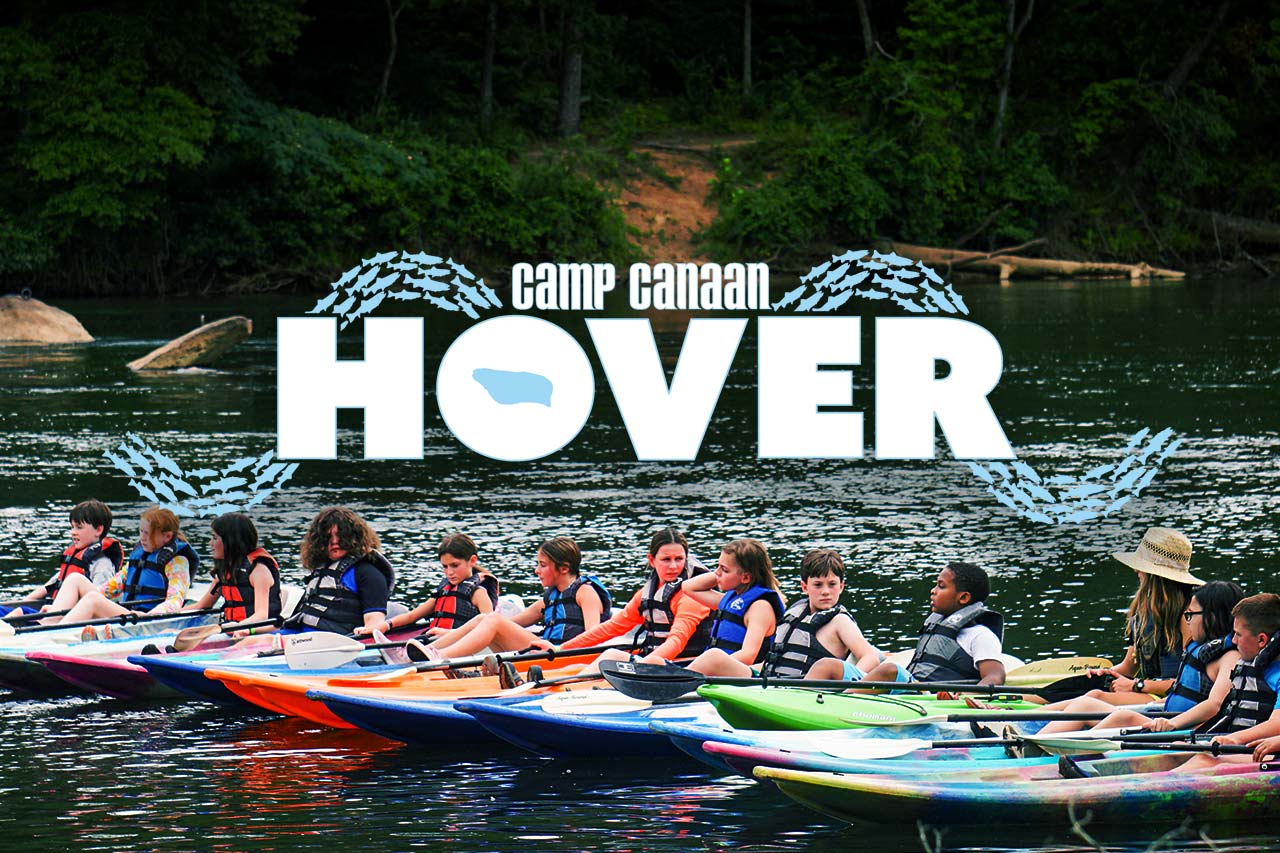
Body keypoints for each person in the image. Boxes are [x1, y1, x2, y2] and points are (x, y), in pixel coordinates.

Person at [1035, 580, 1245, 735]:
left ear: (1213, 617)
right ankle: (1033, 742)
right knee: (1086, 703)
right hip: (1166, 719)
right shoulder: (1200, 649)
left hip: (1184, 731)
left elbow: (1214, 705)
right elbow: (1181, 694)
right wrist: (1154, 707)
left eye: (1190, 615)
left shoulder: (1229, 657)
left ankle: (1067, 753)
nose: (1187, 621)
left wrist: (1172, 723)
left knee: (1122, 716)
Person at [389, 536, 610, 660]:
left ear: (563, 568)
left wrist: (559, 649)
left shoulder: (585, 592)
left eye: (542, 565)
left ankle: (440, 657)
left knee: (492, 619)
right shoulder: (551, 597)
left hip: (565, 657)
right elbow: (511, 624)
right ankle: (421, 653)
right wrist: (452, 632)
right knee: (485, 619)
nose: (536, 571)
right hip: (546, 651)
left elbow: (593, 636)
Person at [557, 527, 714, 674]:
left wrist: (640, 668)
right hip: (655, 662)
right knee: (577, 667)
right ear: (652, 560)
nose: (673, 566)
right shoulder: (647, 593)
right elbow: (612, 627)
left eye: (679, 559)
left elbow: (676, 642)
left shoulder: (691, 596)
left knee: (611, 655)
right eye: (666, 559)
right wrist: (561, 649)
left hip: (683, 667)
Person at [1084, 527, 1202, 706]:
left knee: (1095, 698)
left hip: (1172, 698)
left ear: (1156, 576)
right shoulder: (1144, 613)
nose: (1136, 571)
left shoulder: (1189, 615)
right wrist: (1105, 673)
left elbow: (1192, 682)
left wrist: (1137, 685)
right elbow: (1128, 668)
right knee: (1090, 690)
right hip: (1147, 691)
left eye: (1141, 567)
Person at [852, 561, 1006, 688]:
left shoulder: (980, 635)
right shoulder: (936, 624)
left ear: (964, 597)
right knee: (831, 665)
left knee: (890, 670)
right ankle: (842, 696)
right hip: (911, 686)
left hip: (927, 696)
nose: (933, 591)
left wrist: (971, 695)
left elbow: (995, 675)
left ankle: (844, 700)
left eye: (941, 586)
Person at [1173, 593, 1280, 770]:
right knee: (1179, 749)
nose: (1234, 640)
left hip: (1269, 758)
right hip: (1251, 748)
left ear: (1261, 639)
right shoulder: (1253, 666)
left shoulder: (1277, 674)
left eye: (1238, 634)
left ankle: (1139, 793)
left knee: (1205, 761)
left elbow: (1277, 724)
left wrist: (1235, 738)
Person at [39, 507, 197, 624]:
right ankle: (50, 621)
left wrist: (150, 616)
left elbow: (175, 601)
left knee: (93, 599)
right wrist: (71, 607)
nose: (142, 538)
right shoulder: (140, 556)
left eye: (147, 533)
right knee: (75, 579)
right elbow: (109, 589)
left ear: (167, 536)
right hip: (128, 614)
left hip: (147, 621)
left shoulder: (177, 562)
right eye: (140, 531)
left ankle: (52, 633)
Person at [1, 499, 123, 619]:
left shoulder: (102, 565)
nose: (73, 532)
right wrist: (21, 602)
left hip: (66, 618)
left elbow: (99, 602)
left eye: (79, 527)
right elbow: (46, 588)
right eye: (72, 527)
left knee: (21, 612)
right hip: (52, 611)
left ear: (98, 530)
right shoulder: (73, 561)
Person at [676, 539, 786, 672]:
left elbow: (748, 656)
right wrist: (722, 573)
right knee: (655, 661)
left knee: (713, 656)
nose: (717, 572)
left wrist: (714, 665)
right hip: (716, 669)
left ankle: (681, 678)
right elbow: (688, 587)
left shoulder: (760, 608)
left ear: (746, 578)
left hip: (748, 675)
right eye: (718, 566)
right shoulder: (731, 600)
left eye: (724, 570)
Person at [284, 507, 394, 635]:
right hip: (301, 635)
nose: (335, 541)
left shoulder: (368, 574)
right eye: (328, 537)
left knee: (263, 641)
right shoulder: (321, 570)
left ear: (354, 538)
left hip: (333, 639)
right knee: (260, 639)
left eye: (341, 536)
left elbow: (374, 622)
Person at [366, 533, 497, 636]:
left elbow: (488, 627)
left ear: (472, 560)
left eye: (455, 565)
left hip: (458, 642)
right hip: (437, 640)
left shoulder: (478, 593)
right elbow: (413, 616)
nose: (449, 572)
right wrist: (385, 625)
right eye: (445, 567)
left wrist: (448, 633)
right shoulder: (445, 589)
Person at [185, 512, 283, 635]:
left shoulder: (258, 570)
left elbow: (261, 615)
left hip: (258, 632)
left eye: (215, 538)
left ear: (230, 541)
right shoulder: (225, 570)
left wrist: (240, 627)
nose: (210, 543)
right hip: (231, 630)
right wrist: (167, 613)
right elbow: (202, 605)